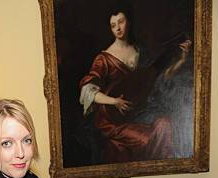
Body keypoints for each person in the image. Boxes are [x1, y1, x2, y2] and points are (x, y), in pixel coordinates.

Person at [79, 4, 192, 163]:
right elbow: (87, 90)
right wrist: (114, 101)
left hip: (138, 112)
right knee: (147, 140)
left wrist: (182, 59)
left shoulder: (141, 51)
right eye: (113, 25)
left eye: (121, 22)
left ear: (129, 22)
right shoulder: (104, 58)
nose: (118, 28)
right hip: (113, 120)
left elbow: (158, 77)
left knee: (165, 124)